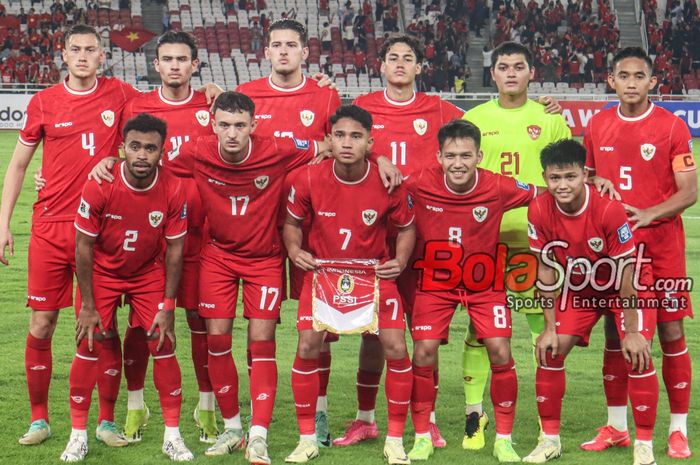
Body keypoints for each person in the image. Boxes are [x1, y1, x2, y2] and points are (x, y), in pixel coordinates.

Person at [166, 92, 328, 465]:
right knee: (217, 339)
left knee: (262, 341)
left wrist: (381, 157)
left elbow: (329, 145)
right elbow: (152, 167)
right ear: (213, 124)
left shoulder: (278, 148)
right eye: (224, 125)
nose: (232, 133)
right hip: (218, 257)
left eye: (240, 125)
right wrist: (108, 161)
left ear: (254, 126)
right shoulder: (196, 151)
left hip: (265, 259)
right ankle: (233, 427)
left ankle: (259, 434)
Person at [0, 24, 140, 447]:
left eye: (91, 50)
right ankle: (39, 420)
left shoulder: (121, 95)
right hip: (49, 228)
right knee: (41, 323)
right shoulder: (44, 101)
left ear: (102, 56)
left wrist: (207, 89)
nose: (82, 56)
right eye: (75, 49)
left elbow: (158, 119)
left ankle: (107, 421)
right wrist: (3, 222)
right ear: (63, 54)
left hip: (99, 231)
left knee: (99, 328)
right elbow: (20, 165)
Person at [337, 33, 464, 450]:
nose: (400, 64)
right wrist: (378, 158)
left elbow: (475, 140)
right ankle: (366, 419)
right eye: (393, 57)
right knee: (376, 333)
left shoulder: (442, 109)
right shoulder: (365, 108)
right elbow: (335, 144)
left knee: (424, 334)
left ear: (419, 67)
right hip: (375, 238)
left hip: (428, 237)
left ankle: (426, 422)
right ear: (382, 65)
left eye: (409, 58)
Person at [283, 105, 416, 464]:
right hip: (323, 271)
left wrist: (400, 261)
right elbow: (292, 223)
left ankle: (394, 439)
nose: (346, 142)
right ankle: (307, 437)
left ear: (370, 142)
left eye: (355, 136)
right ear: (329, 139)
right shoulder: (308, 178)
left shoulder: (386, 181)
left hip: (372, 273)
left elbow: (406, 228)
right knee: (308, 345)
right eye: (339, 135)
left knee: (395, 346)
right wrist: (294, 250)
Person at [583, 46, 696, 459]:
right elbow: (588, 177)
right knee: (616, 333)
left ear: (652, 82)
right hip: (614, 250)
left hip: (662, 247)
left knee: (670, 332)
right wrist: (598, 189)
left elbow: (690, 191)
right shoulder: (597, 124)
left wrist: (648, 213)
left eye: (639, 76)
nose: (631, 83)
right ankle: (616, 427)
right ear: (611, 80)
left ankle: (678, 431)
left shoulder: (670, 128)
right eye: (623, 75)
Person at [406, 120, 541, 462]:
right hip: (436, 281)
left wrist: (591, 184)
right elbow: (382, 190)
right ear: (439, 156)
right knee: (423, 352)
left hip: (485, 281)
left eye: (466, 155)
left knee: (499, 349)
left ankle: (503, 439)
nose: (458, 163)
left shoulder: (498, 186)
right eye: (450, 156)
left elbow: (543, 191)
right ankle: (422, 435)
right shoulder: (420, 182)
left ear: (479, 155)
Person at [63, 113, 193, 462]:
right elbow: (83, 247)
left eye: (150, 148)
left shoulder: (173, 186)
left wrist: (168, 306)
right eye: (134, 146)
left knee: (161, 341)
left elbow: (176, 250)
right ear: (122, 147)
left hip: (147, 272)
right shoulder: (100, 184)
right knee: (88, 341)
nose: (141, 155)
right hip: (103, 272)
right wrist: (89, 306)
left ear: (162, 152)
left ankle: (173, 436)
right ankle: (77, 436)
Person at [461, 41, 571, 451]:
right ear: (493, 75)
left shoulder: (550, 119)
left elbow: (568, 178)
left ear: (531, 73)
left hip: (537, 247)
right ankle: (475, 418)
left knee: (543, 330)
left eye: (518, 67)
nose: (510, 73)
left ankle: (548, 427)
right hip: (485, 244)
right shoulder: (473, 118)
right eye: (503, 67)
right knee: (479, 330)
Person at [523, 139, 659, 465]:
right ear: (545, 177)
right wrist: (549, 328)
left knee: (637, 354)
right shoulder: (539, 208)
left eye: (570, 177)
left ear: (585, 174)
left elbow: (627, 274)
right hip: (580, 289)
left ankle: (644, 446)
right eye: (555, 178)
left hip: (626, 286)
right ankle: (550, 441)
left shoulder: (608, 209)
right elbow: (544, 270)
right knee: (549, 351)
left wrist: (633, 330)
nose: (562, 185)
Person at [117, 31, 218, 444]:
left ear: (195, 65)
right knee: (141, 325)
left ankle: (207, 406)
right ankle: (136, 404)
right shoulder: (136, 106)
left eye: (182, 59)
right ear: (155, 65)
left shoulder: (212, 104)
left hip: (198, 235)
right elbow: (113, 157)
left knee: (200, 322)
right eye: (167, 59)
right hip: (146, 236)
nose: (174, 65)